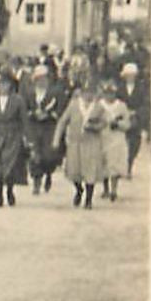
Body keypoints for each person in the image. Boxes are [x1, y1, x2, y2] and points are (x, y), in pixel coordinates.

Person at [54, 78, 107, 210]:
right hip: (75, 142)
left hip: (92, 142)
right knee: (74, 171)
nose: (88, 95)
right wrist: (56, 139)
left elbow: (104, 122)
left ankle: (88, 200)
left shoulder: (99, 107)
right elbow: (62, 122)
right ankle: (79, 190)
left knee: (90, 171)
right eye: (86, 92)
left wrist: (95, 127)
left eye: (91, 93)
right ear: (81, 93)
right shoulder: (74, 104)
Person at [0, 69, 28, 208]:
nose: (2, 86)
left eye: (5, 83)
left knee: (10, 167)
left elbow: (24, 120)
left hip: (12, 136)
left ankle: (9, 189)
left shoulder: (18, 100)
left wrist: (26, 137)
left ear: (11, 84)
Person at [24, 64, 65, 194]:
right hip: (34, 126)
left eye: (44, 78)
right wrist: (32, 114)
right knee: (35, 154)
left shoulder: (56, 92)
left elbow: (61, 109)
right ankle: (36, 182)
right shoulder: (29, 92)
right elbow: (24, 108)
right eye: (39, 78)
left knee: (49, 156)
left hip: (49, 127)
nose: (42, 81)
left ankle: (48, 174)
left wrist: (49, 115)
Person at [99, 80, 130, 203]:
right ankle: (105, 188)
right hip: (103, 136)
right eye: (107, 93)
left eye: (111, 93)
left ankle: (114, 190)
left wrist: (118, 123)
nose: (109, 96)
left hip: (117, 137)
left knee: (115, 163)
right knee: (103, 162)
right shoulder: (99, 105)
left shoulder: (121, 106)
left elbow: (127, 123)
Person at [116, 62, 146, 178]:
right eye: (128, 75)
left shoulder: (141, 88)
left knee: (134, 144)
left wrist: (137, 112)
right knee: (122, 142)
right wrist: (123, 111)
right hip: (123, 117)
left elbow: (145, 103)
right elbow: (117, 101)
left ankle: (129, 165)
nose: (130, 77)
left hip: (135, 118)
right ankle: (121, 167)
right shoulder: (119, 88)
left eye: (132, 75)